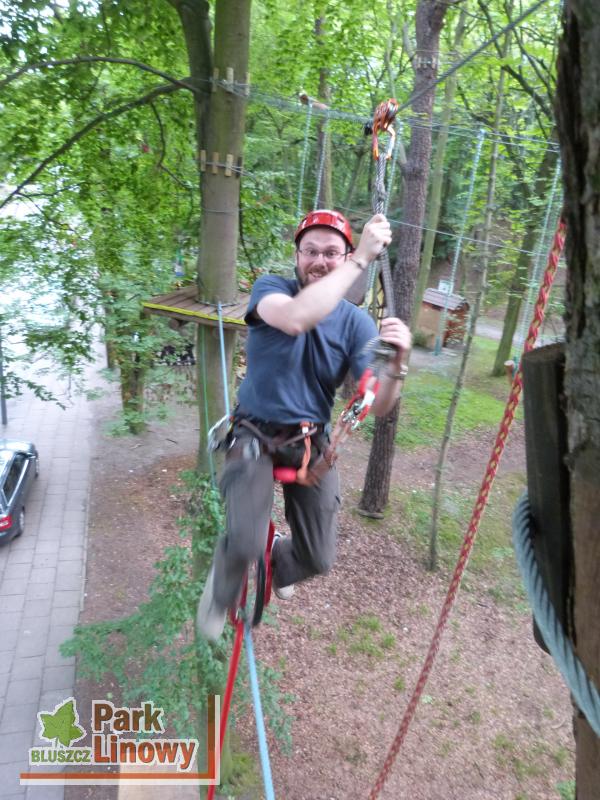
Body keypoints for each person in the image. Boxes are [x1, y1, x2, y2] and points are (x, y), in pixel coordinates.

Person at [197, 209, 411, 640]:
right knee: (244, 539)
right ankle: (220, 593)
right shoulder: (271, 290)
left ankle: (280, 561)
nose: (319, 261)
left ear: (343, 256)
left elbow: (378, 404)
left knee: (319, 557)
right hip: (253, 434)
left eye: (331, 253)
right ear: (296, 257)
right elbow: (297, 318)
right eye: (310, 251)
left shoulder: (355, 323)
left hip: (310, 442)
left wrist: (397, 366)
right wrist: (360, 259)